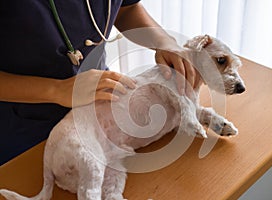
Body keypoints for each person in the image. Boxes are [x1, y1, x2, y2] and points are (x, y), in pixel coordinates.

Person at [0, 0, 200, 165]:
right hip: (25, 127)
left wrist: (163, 41)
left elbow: (125, 8)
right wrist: (57, 90)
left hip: (100, 103)